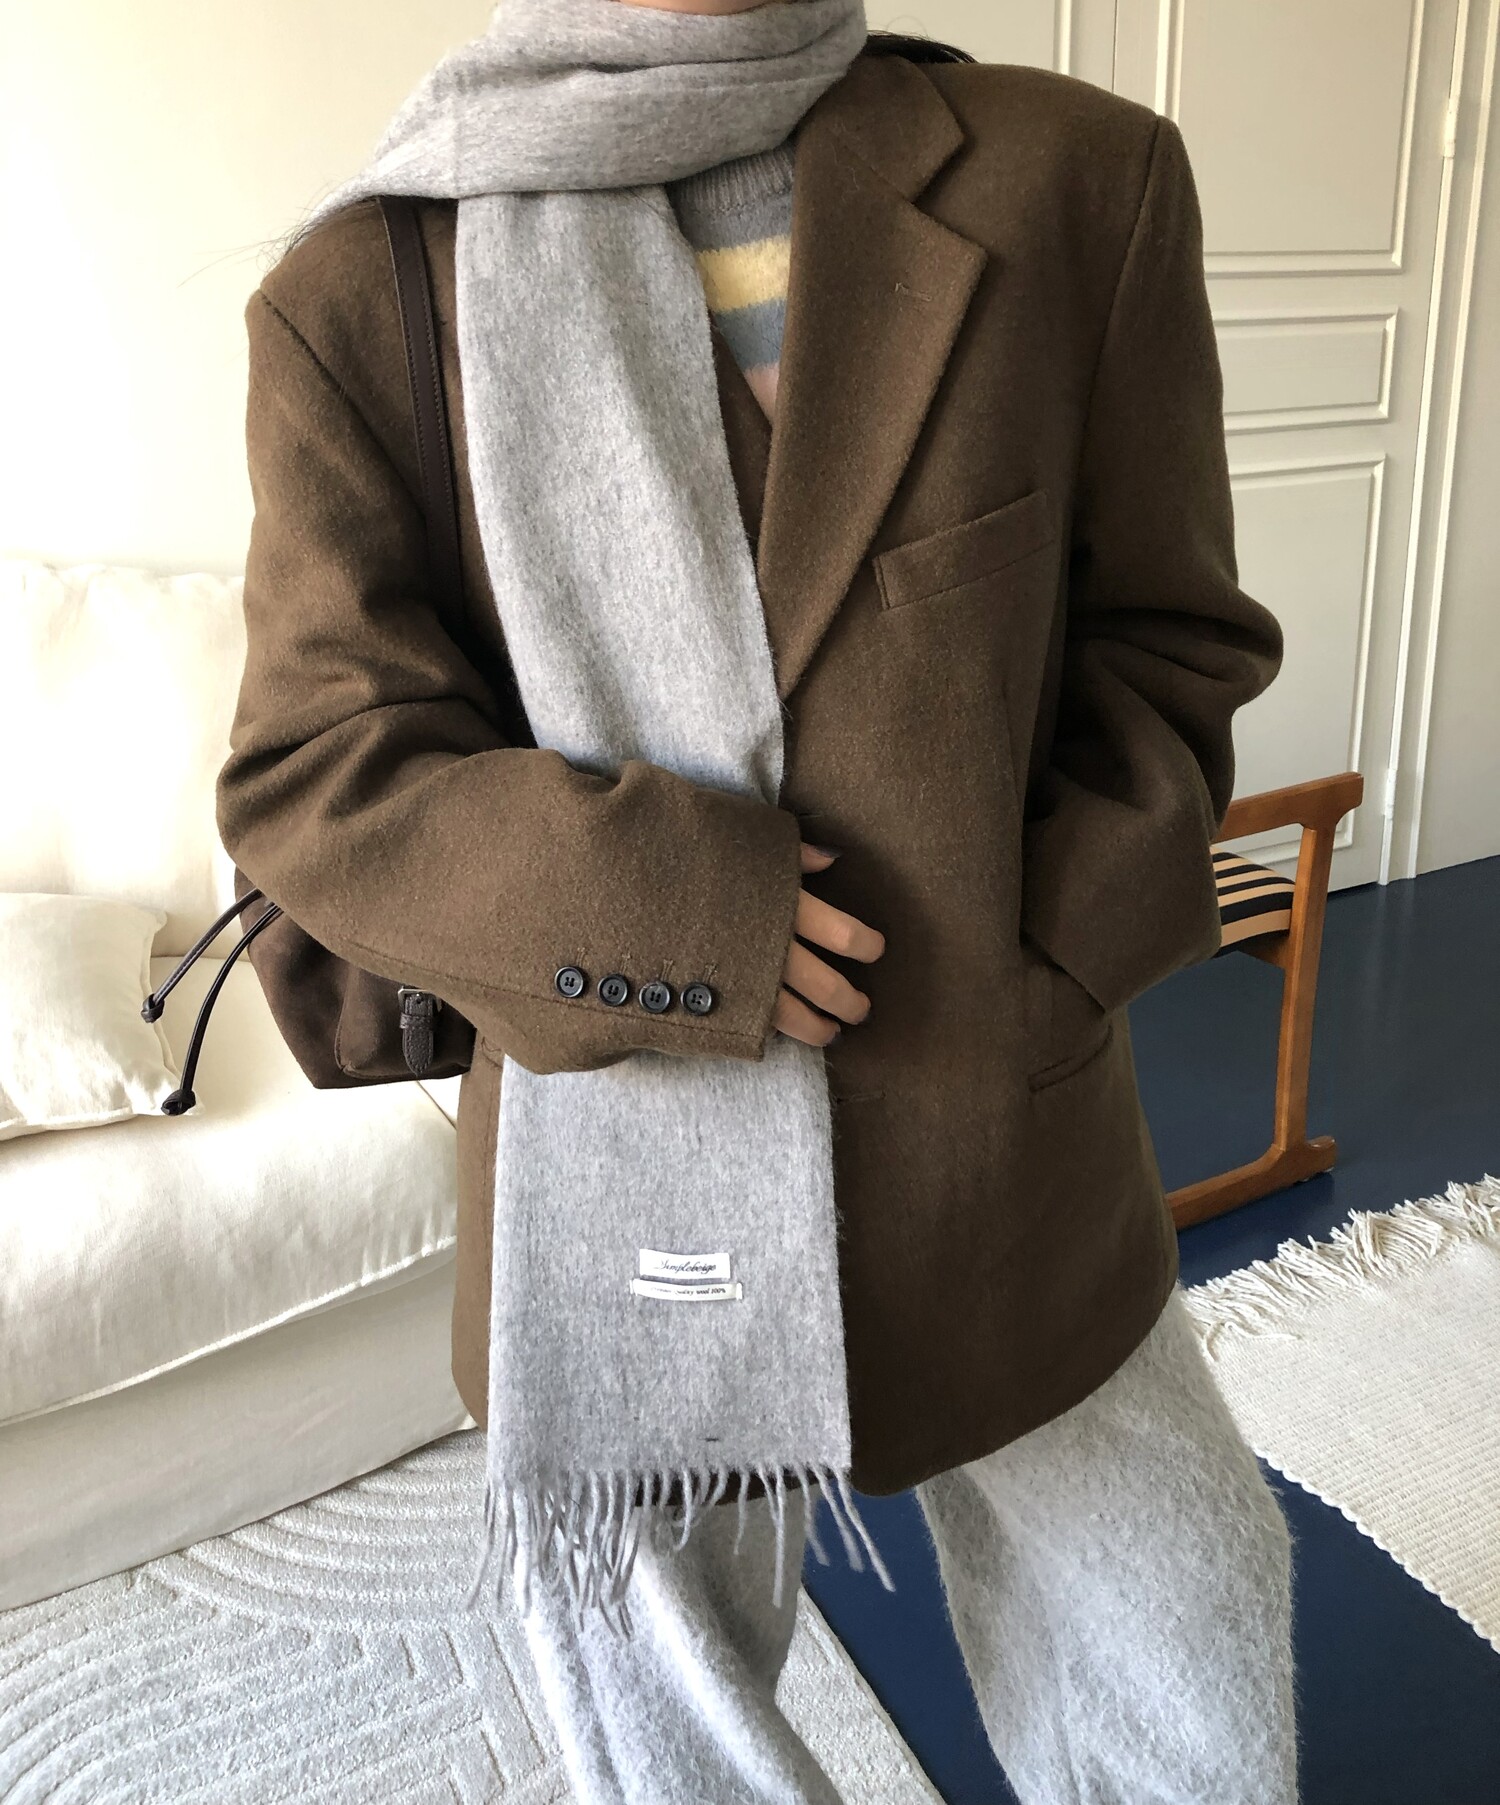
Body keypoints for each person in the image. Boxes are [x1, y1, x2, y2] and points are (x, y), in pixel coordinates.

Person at [216, 1, 1298, 1799]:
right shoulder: (363, 289)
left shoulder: (1078, 182)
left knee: (1188, 1633)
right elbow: (317, 769)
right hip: (613, 1167)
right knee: (669, 1721)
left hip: (1005, 1135)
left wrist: (1037, 955)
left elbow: (1169, 646)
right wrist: (693, 921)